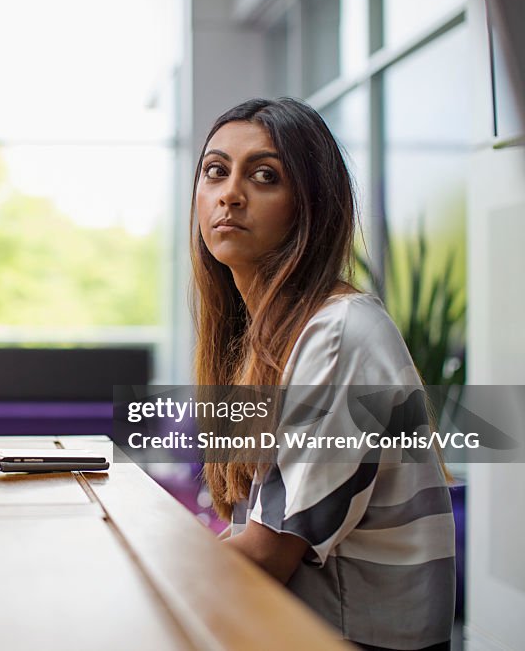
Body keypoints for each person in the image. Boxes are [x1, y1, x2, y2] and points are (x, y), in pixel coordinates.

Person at [191, 97, 455, 651]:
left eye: (264, 176)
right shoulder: (272, 333)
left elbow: (266, 554)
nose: (229, 194)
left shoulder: (337, 334)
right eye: (216, 171)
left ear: (310, 205)